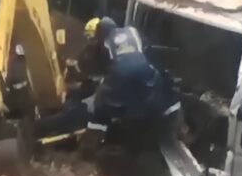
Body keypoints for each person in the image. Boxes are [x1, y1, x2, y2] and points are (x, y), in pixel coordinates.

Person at [76, 17, 180, 155]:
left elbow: (102, 68)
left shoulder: (104, 42)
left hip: (120, 74)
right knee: (163, 94)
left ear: (101, 33)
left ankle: (88, 147)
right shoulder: (132, 31)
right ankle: (176, 130)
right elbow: (147, 49)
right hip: (145, 71)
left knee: (100, 106)